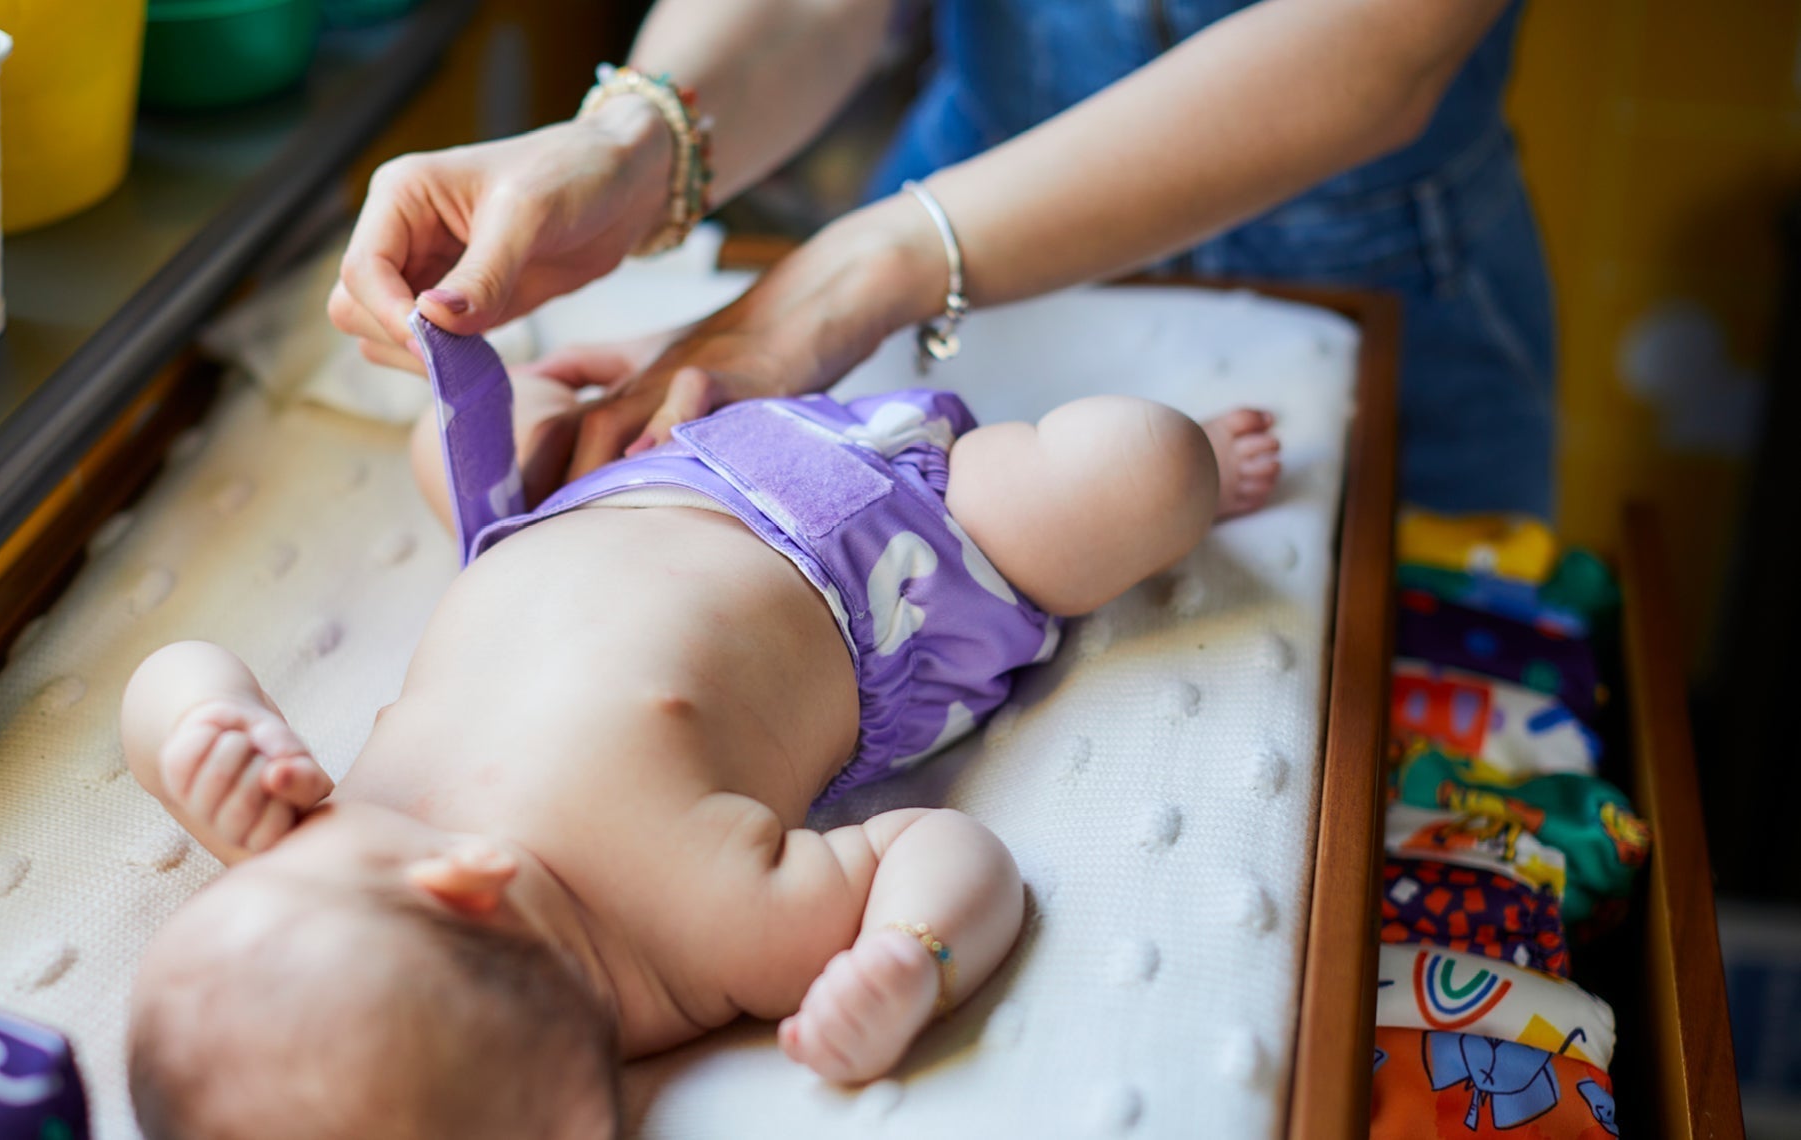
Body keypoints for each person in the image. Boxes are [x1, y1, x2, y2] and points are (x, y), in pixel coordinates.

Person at [119, 316, 1279, 1138]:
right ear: (464, 884)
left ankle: (590, 364)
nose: (259, 845)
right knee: (1135, 471)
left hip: (581, 493)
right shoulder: (707, 936)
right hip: (888, 550)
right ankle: (1194, 473)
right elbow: (950, 853)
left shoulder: (307, 833)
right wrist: (911, 958)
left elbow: (169, 671)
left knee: (451, 424)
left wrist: (199, 727)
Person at [330, 0, 1551, 517]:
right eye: (570, 409)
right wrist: (630, 140)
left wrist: (850, 277)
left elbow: (1374, 51)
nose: (590, 419)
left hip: (1368, 266)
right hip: (937, 210)